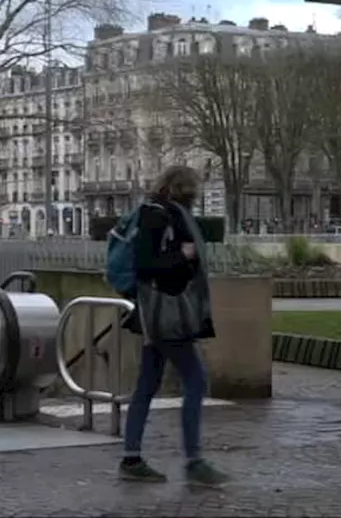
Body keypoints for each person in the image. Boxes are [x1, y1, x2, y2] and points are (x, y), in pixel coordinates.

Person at [118, 165, 229, 486]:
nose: (198, 194)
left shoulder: (159, 212)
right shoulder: (161, 215)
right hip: (166, 313)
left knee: (146, 385)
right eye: (195, 187)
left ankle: (131, 457)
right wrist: (184, 255)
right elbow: (149, 264)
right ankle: (194, 460)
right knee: (195, 378)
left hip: (156, 312)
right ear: (185, 189)